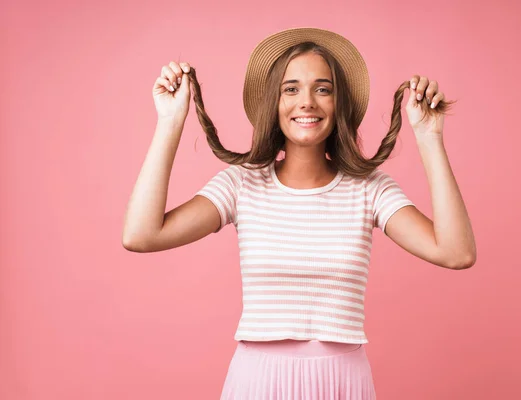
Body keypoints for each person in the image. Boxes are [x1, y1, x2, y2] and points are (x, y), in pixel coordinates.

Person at [122, 27, 476, 399]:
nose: (306, 102)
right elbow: (141, 235)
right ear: (273, 104)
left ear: (339, 105)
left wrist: (429, 135)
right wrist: (170, 121)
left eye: (322, 89)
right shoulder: (242, 184)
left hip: (343, 382)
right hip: (257, 381)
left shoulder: (368, 188)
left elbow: (456, 252)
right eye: (290, 89)